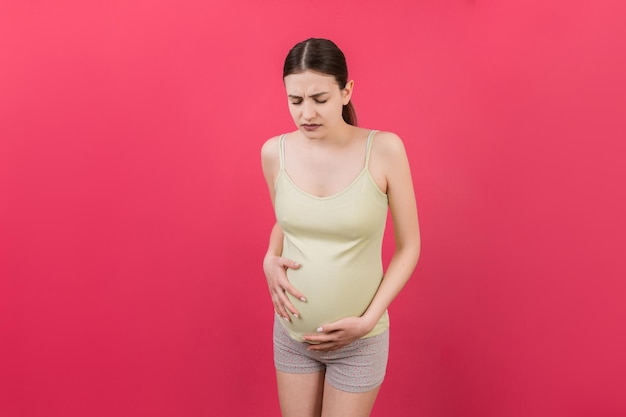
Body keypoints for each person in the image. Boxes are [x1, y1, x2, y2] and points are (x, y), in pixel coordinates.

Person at [261, 38, 420, 417]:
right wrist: (269, 257)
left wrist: (367, 321)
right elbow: (289, 221)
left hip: (359, 341)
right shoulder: (273, 153)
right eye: (295, 101)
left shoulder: (384, 150)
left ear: (346, 92)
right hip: (292, 333)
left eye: (320, 98)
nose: (306, 114)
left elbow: (409, 246)